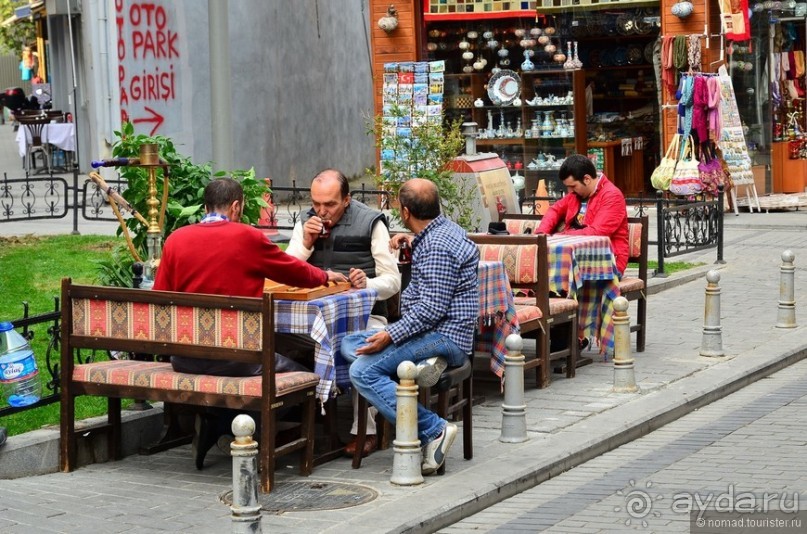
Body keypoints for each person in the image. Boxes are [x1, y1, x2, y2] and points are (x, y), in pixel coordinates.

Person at [153, 177, 347, 467]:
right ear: (236, 206)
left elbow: (159, 298)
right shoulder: (247, 237)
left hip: (185, 357)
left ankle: (218, 424)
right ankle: (243, 431)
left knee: (272, 361)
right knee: (308, 375)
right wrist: (324, 275)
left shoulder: (176, 239)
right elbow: (292, 271)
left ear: (205, 206)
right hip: (238, 360)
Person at [341, 178, 479, 475]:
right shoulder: (441, 232)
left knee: (362, 370)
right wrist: (411, 240)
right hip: (431, 332)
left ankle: (434, 429)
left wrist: (390, 334)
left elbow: (431, 311)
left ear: (404, 211)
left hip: (444, 336)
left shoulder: (437, 247)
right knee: (349, 343)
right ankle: (420, 365)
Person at [285, 168, 401, 458]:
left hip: (366, 316)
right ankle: (300, 421)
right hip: (315, 320)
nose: (322, 212)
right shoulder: (305, 220)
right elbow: (286, 269)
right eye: (317, 204)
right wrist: (307, 244)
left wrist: (367, 284)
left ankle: (367, 430)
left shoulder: (371, 222)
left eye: (330, 205)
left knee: (362, 349)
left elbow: (393, 280)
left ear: (347, 200)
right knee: (280, 341)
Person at [537, 154, 629, 276]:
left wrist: (560, 236)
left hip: (607, 259)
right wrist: (541, 234)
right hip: (575, 254)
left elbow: (597, 233)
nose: (569, 191)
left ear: (587, 179)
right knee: (539, 268)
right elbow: (554, 210)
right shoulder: (576, 195)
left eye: (573, 186)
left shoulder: (612, 196)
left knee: (549, 273)